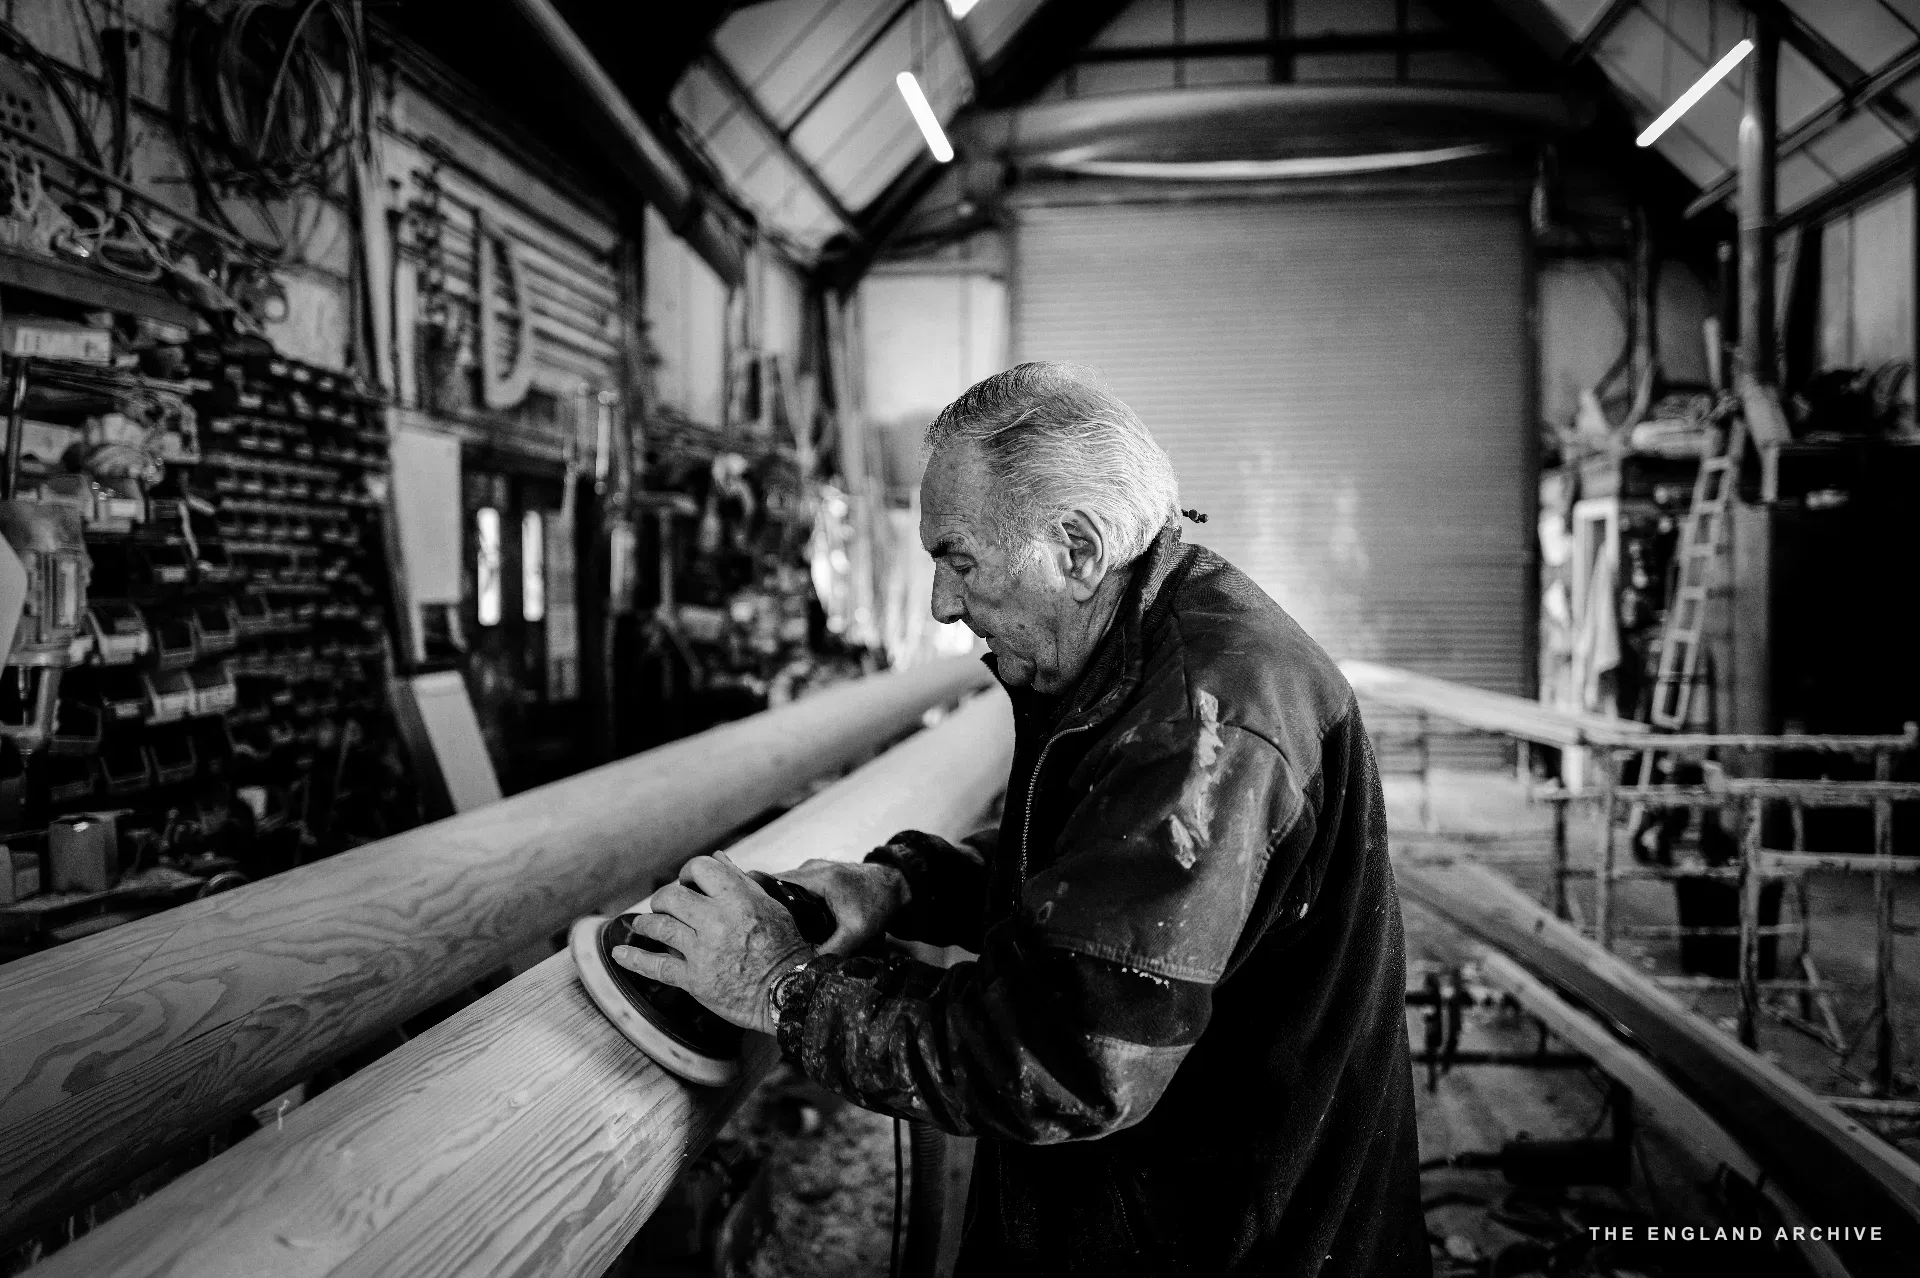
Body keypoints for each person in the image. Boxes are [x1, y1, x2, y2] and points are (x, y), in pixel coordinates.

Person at [616, 362, 1429, 1277]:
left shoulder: (1203, 723)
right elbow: (1102, 870)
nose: (942, 606)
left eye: (957, 559)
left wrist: (780, 986)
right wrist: (901, 885)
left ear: (1076, 550)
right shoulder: (1141, 646)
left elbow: (1065, 1061)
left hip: (1228, 1242)